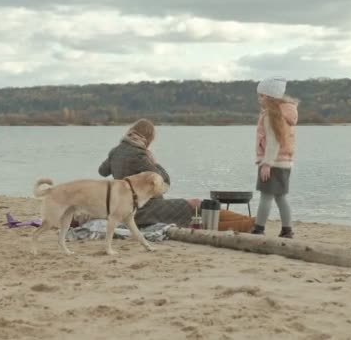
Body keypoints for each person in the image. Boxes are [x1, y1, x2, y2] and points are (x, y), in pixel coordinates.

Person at [98, 118, 254, 229]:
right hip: (145, 209)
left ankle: (249, 222)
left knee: (195, 216)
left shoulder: (116, 151)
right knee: (196, 205)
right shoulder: (140, 155)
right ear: (148, 138)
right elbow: (164, 182)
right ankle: (249, 223)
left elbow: (102, 171)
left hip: (124, 208)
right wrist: (154, 162)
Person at [251, 77, 299, 238]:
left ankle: (258, 229)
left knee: (266, 196)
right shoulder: (285, 112)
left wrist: (267, 164)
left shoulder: (272, 115)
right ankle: (287, 230)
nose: (259, 99)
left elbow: (273, 141)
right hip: (285, 163)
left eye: (261, 96)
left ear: (270, 97)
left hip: (274, 163)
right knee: (281, 197)